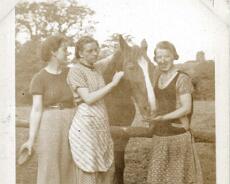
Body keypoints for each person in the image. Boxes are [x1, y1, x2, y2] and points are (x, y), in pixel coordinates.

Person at [67, 36, 124, 184]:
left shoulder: (96, 68)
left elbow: (112, 57)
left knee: (107, 168)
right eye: (90, 51)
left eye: (96, 49)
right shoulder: (76, 71)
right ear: (80, 53)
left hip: (100, 122)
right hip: (85, 123)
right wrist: (113, 84)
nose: (95, 53)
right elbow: (88, 98)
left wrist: (124, 49)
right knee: (89, 168)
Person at [19, 35, 76, 184]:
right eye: (64, 49)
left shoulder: (71, 73)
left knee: (71, 164)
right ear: (53, 52)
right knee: (49, 165)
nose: (68, 53)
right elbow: (37, 110)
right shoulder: (40, 78)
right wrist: (30, 140)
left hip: (72, 122)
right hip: (50, 124)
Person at [147, 41, 203, 184]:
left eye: (167, 56)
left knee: (176, 178)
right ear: (155, 59)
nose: (163, 60)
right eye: (159, 57)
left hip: (177, 135)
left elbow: (186, 108)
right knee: (158, 177)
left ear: (174, 56)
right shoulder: (158, 77)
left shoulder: (182, 78)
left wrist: (163, 118)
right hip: (160, 135)